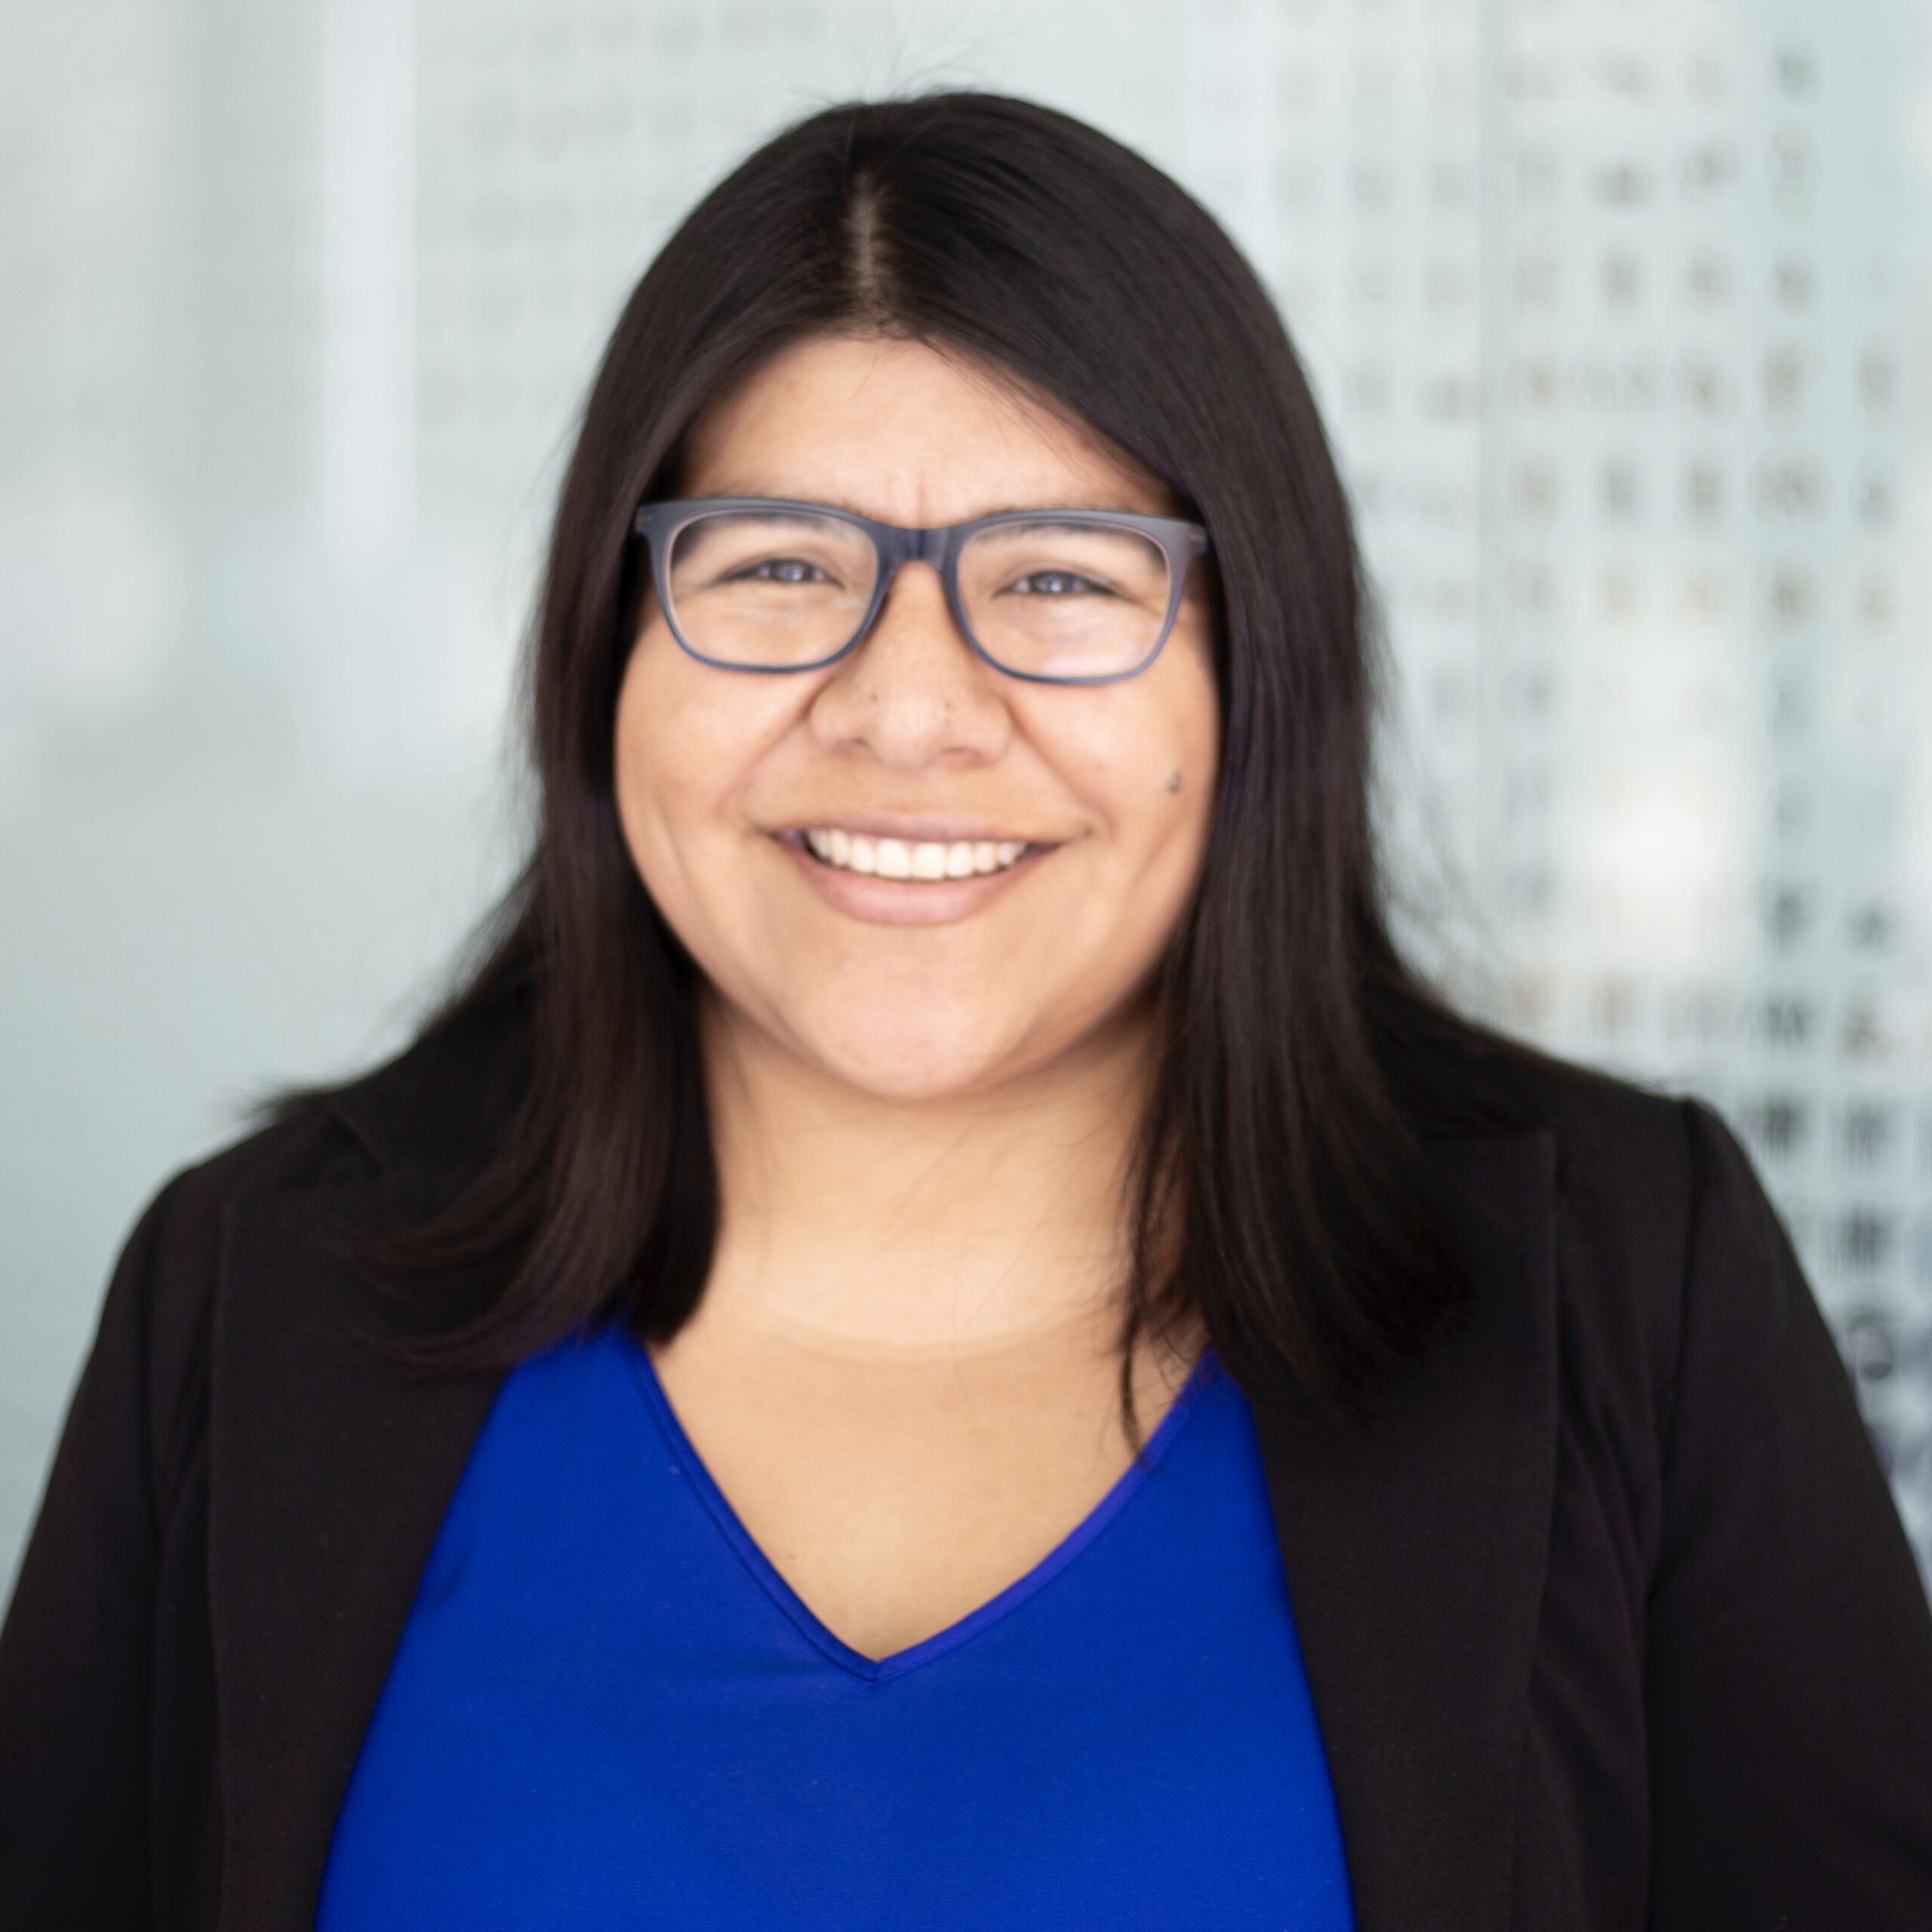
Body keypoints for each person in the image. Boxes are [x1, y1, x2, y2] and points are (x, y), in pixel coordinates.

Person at [3, 91, 1929, 1932]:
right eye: (773, 567)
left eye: (1058, 578)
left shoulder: (1625, 1290)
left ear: (1254, 671)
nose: (907, 708)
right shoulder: (253, 1293)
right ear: (605, 650)